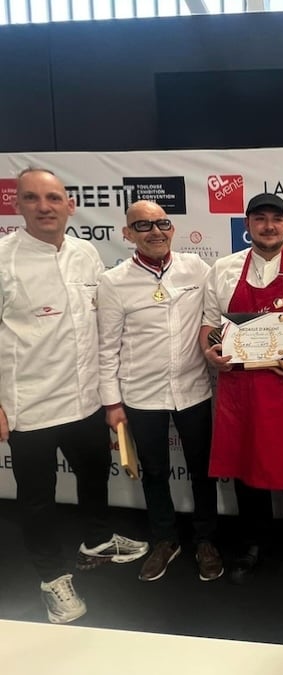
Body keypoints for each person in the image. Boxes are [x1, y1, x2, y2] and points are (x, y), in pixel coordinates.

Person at [0, 167, 148, 623]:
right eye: (31, 198)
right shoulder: (3, 258)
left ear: (70, 205)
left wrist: (109, 398)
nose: (43, 207)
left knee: (94, 476)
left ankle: (97, 540)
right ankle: (52, 578)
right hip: (30, 406)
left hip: (85, 401)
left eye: (52, 198)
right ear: (17, 204)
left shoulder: (86, 255)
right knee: (38, 499)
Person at [200, 192, 283, 584]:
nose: (268, 226)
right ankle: (251, 542)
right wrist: (210, 352)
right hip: (241, 388)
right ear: (247, 225)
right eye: (260, 219)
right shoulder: (222, 269)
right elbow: (208, 325)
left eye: (276, 218)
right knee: (244, 467)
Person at [98, 200, 222, 582]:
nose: (155, 232)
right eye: (142, 226)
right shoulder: (113, 281)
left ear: (172, 228)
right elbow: (106, 347)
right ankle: (165, 540)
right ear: (127, 234)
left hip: (193, 389)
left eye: (161, 223)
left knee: (203, 471)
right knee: (154, 472)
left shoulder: (197, 269)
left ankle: (206, 540)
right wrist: (112, 403)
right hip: (141, 394)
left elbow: (214, 319)